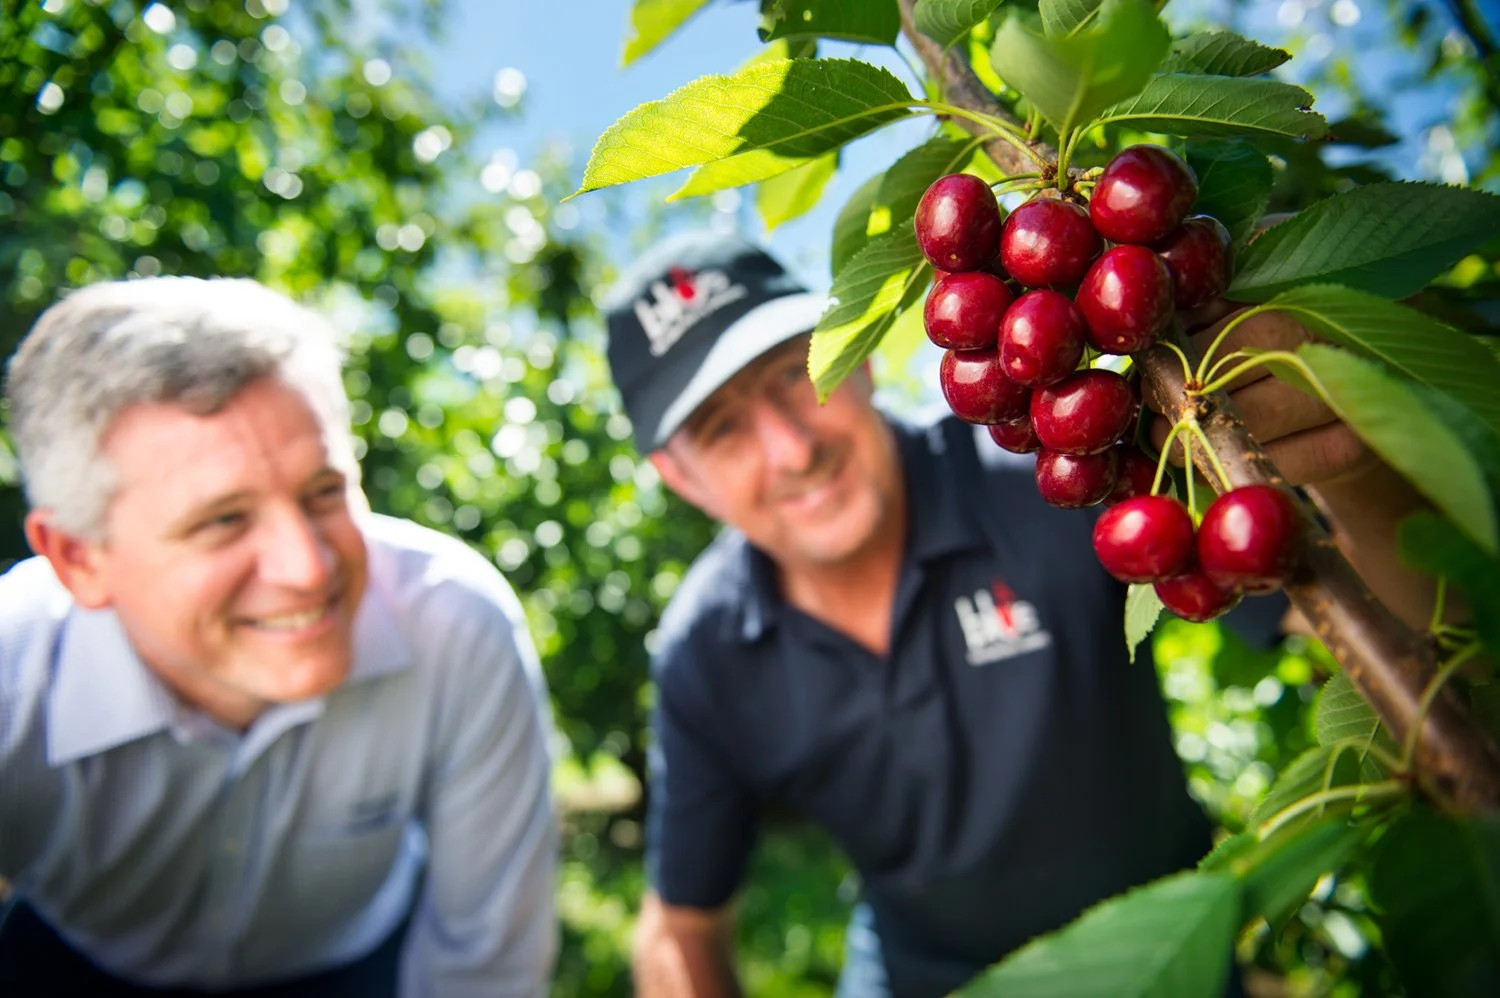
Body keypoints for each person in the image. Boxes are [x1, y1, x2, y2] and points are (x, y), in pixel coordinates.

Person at [600, 231, 1436, 998]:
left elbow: (1414, 630)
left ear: (853, 357)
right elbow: (679, 927)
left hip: (1161, 960)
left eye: (794, 371)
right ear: (681, 479)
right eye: (722, 431)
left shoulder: (1059, 471)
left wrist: (1346, 454)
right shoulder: (706, 652)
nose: (790, 448)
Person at [0, 277, 557, 997]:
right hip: (78, 966)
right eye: (223, 520)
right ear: (79, 558)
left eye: (324, 492)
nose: (308, 568)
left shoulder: (454, 625)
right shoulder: (12, 675)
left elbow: (484, 971)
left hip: (354, 966)